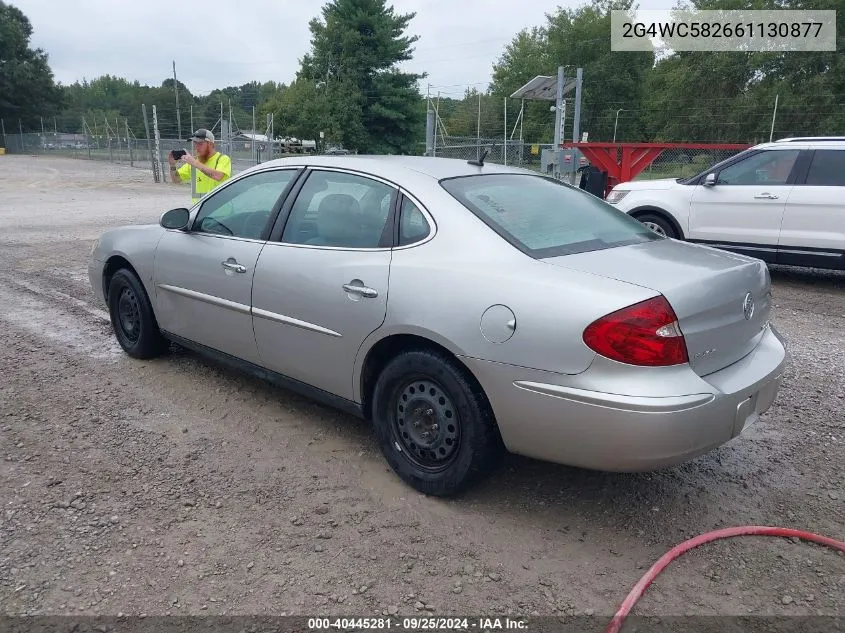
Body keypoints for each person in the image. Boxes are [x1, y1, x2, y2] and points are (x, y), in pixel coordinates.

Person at [169, 128, 232, 204]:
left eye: (200, 143)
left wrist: (194, 163)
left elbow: (218, 176)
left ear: (211, 144)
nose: (197, 147)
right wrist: (172, 165)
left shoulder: (222, 159)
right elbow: (176, 180)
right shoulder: (194, 162)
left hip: (220, 211)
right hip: (200, 211)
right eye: (195, 143)